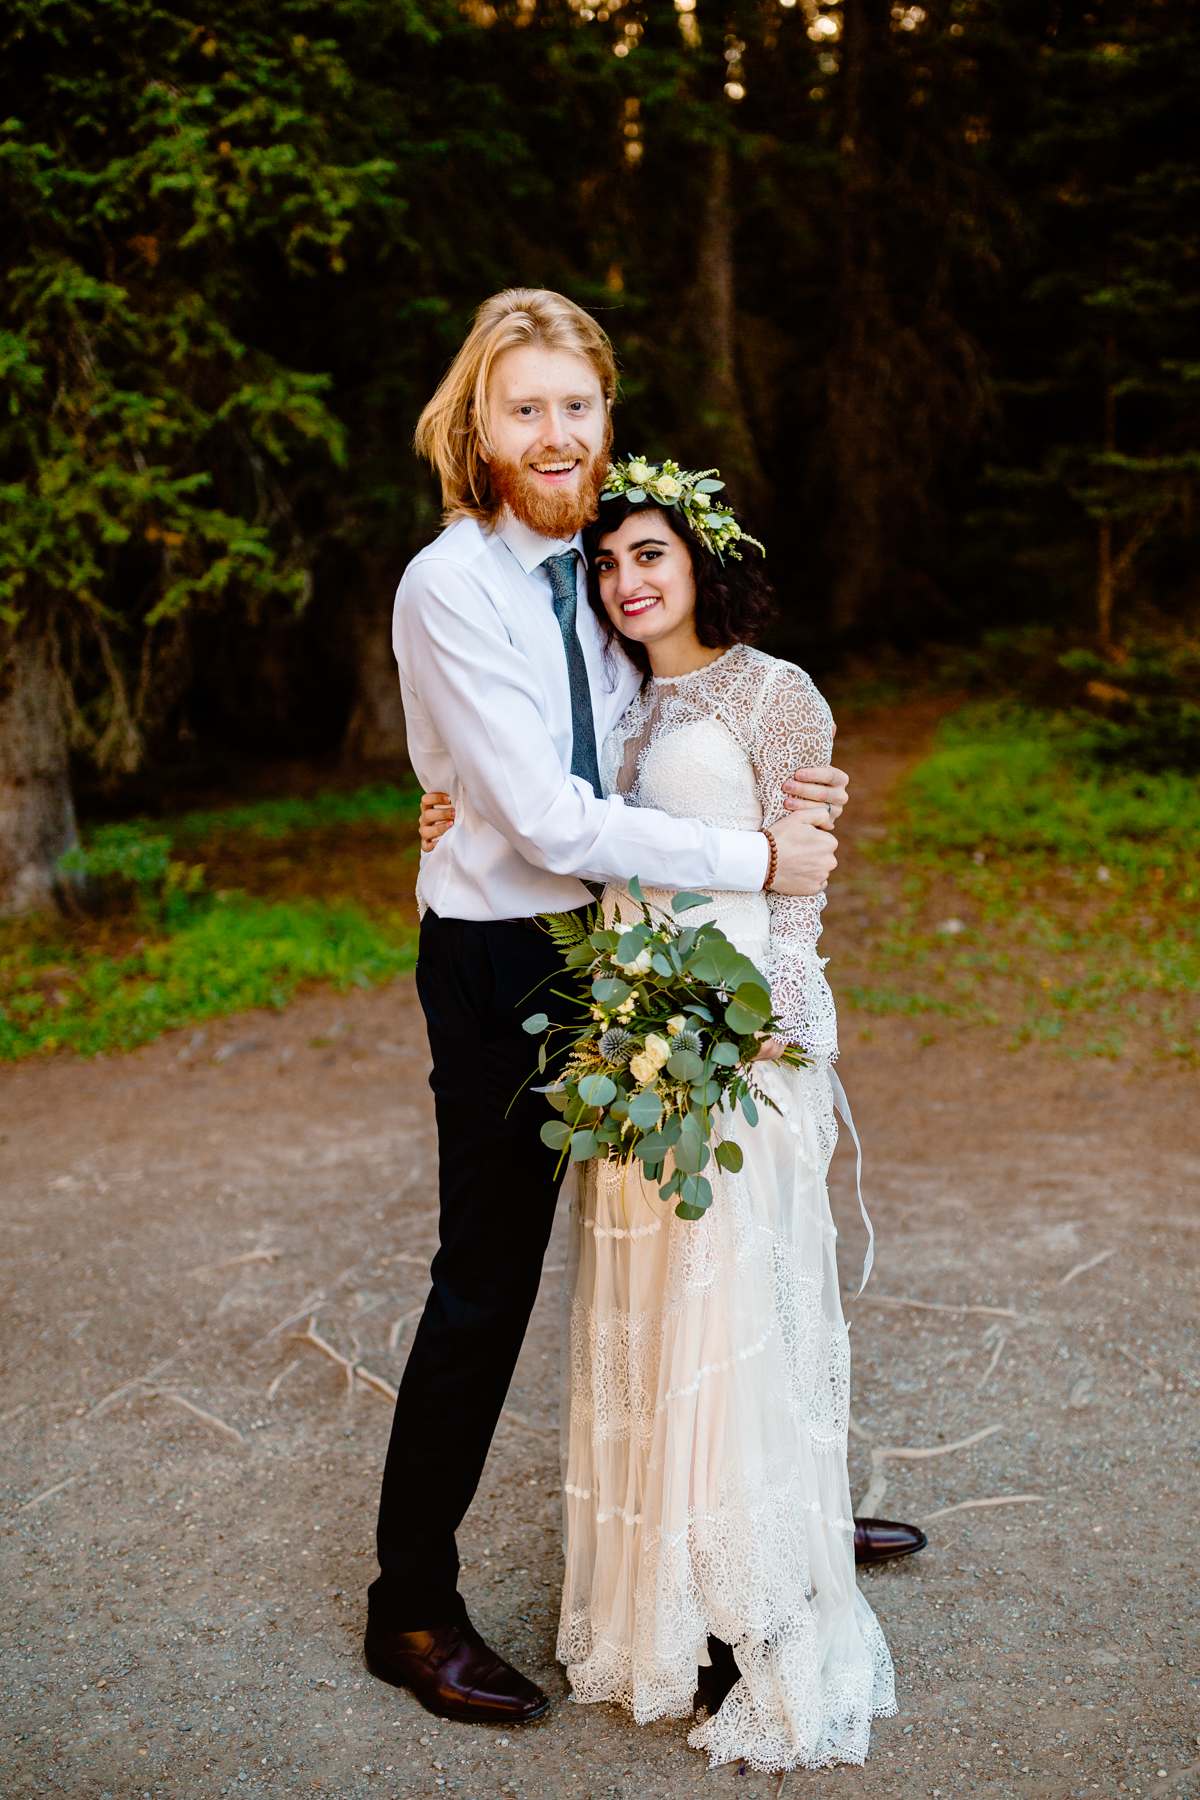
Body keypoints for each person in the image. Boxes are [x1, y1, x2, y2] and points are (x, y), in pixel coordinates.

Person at [365, 288, 878, 1729]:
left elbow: (664, 713)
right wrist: (753, 855)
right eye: (524, 406)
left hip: (627, 944)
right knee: (491, 1277)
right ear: (478, 419)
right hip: (502, 960)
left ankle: (766, 1517)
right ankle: (407, 1602)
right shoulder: (449, 586)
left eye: (576, 406)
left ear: (606, 418)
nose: (554, 432)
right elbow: (541, 816)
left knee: (698, 1235)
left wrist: (782, 776)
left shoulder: (596, 566)